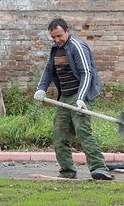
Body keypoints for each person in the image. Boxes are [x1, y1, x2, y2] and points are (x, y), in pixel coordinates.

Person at [33, 19, 113, 181]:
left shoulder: (77, 46)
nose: (56, 40)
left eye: (59, 36)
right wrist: (41, 88)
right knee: (59, 134)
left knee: (83, 132)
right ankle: (67, 171)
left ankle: (99, 168)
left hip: (80, 96)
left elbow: (87, 73)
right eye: (53, 37)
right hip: (65, 97)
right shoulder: (56, 49)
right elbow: (49, 70)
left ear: (67, 31)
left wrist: (81, 98)